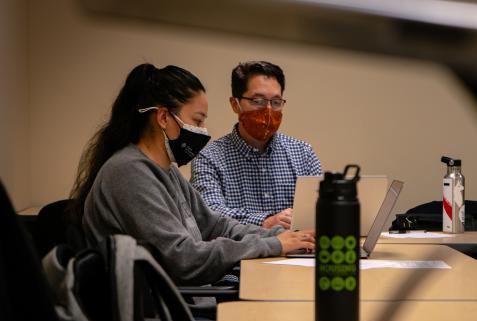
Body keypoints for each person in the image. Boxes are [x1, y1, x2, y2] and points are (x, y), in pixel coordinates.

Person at [70, 63, 314, 286]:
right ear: (164, 117)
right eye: (197, 121)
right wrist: (273, 244)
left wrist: (284, 237)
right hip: (173, 319)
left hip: (189, 303)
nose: (202, 131)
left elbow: (215, 225)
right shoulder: (128, 173)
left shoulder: (166, 171)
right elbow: (183, 259)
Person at [190, 61, 322, 229]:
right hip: (240, 254)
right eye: (258, 100)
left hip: (298, 253)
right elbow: (210, 216)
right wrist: (264, 222)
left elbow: (323, 209)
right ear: (234, 104)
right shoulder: (208, 158)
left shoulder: (303, 153)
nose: (268, 110)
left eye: (276, 102)